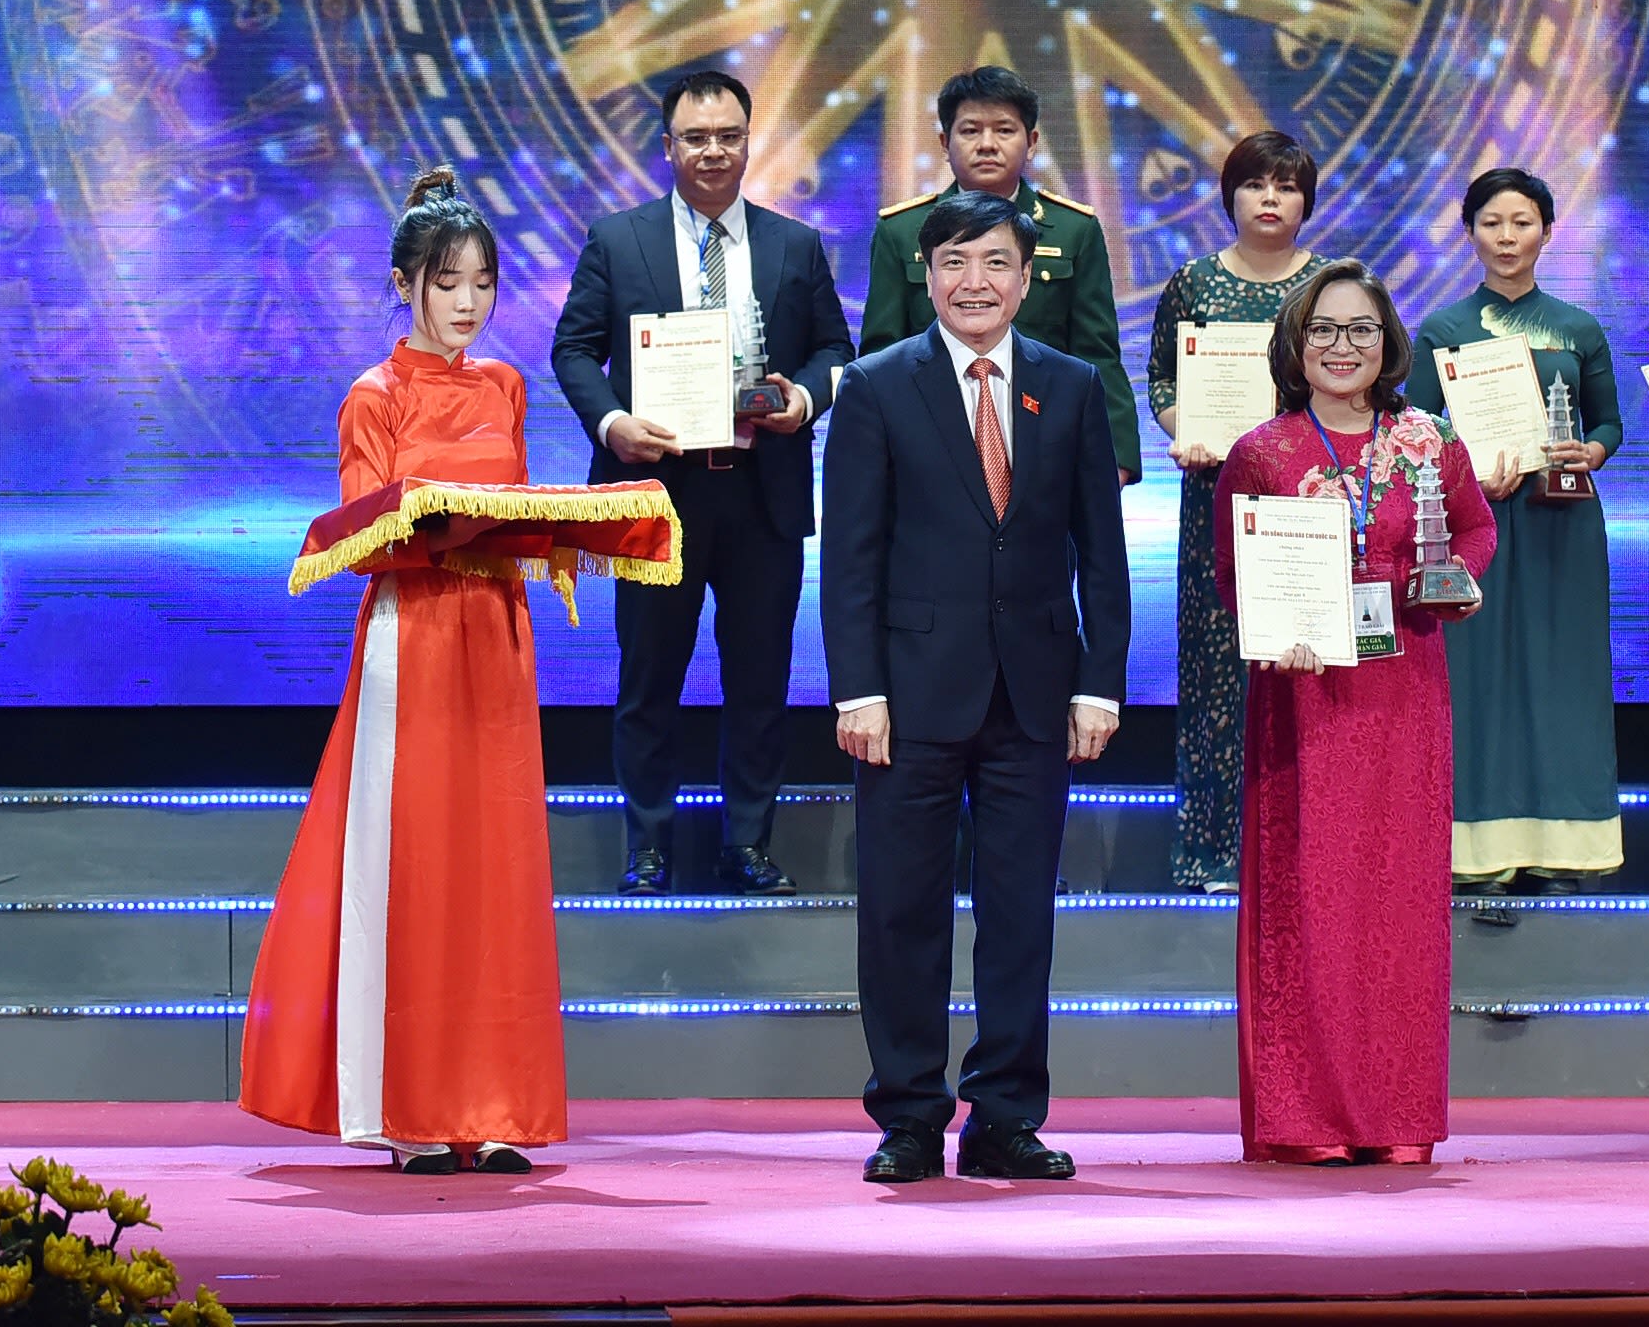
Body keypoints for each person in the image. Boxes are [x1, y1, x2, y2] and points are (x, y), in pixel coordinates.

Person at [241, 168, 566, 1172]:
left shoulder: (505, 386)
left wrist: (552, 530)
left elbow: (517, 506)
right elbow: (361, 530)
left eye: (483, 283)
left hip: (498, 634)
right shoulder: (372, 396)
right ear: (402, 284)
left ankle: (495, 1106)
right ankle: (412, 1109)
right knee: (413, 864)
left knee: (497, 864)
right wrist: (437, 522)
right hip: (413, 633)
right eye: (447, 282)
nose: (468, 302)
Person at [823, 189, 1134, 1185]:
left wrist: (1100, 684)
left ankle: (1004, 1115)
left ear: (1027, 277)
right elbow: (850, 558)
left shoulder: (1071, 387)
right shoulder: (876, 386)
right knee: (899, 914)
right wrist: (856, 689)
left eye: (995, 262)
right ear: (926, 275)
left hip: (1035, 694)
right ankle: (909, 1116)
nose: (975, 282)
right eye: (954, 262)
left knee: (1020, 917)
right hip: (907, 697)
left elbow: (1102, 553)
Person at [1215, 264, 1497, 1163]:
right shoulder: (1263, 451)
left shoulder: (1429, 439)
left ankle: (1396, 1119)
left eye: (1361, 330)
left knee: (1398, 903)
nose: (1343, 347)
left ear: (1388, 343)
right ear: (1296, 346)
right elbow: (1231, 570)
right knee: (1309, 897)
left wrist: (1456, 580)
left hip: (1406, 692)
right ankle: (1307, 1121)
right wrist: (1272, 631)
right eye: (1324, 330)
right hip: (1303, 700)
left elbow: (1476, 526)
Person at [551, 69, 856, 897]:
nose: (713, 151)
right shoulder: (618, 240)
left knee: (759, 680)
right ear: (668, 146)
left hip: (763, 491)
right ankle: (648, 845)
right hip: (658, 492)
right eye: (696, 137)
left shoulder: (795, 244)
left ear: (750, 142)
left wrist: (803, 398)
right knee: (648, 676)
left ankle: (747, 843)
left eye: (728, 136)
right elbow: (573, 350)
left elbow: (836, 350)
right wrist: (613, 423)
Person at [1406, 166, 1624, 894]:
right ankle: (1476, 851)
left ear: (1547, 232)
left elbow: (1609, 423)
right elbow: (1418, 432)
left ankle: (1565, 847)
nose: (1507, 237)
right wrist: (1465, 470)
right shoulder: (1442, 330)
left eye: (1522, 222)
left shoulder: (1577, 327)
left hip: (1561, 521)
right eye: (1492, 223)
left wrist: (1591, 452)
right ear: (1470, 233)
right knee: (1475, 678)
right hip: (1472, 526)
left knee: (1564, 675)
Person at [1145, 128, 1327, 892]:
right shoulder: (1192, 282)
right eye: (1256, 185)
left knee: (1307, 671)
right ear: (1230, 197)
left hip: (1309, 504)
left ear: (1306, 202)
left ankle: (1304, 852)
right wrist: (1184, 429)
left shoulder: (1331, 286)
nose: (1270, 199)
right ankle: (1212, 851)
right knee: (1216, 675)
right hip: (1215, 503)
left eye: (1286, 187)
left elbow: (1359, 381)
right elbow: (1161, 380)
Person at [860, 65, 1144, 484]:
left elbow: (1097, 352)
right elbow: (881, 354)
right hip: (928, 445)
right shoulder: (901, 230)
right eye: (970, 131)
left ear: (1032, 142)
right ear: (945, 143)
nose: (987, 144)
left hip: (1047, 438)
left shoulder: (1074, 229)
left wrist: (1114, 457)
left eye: (1004, 130)